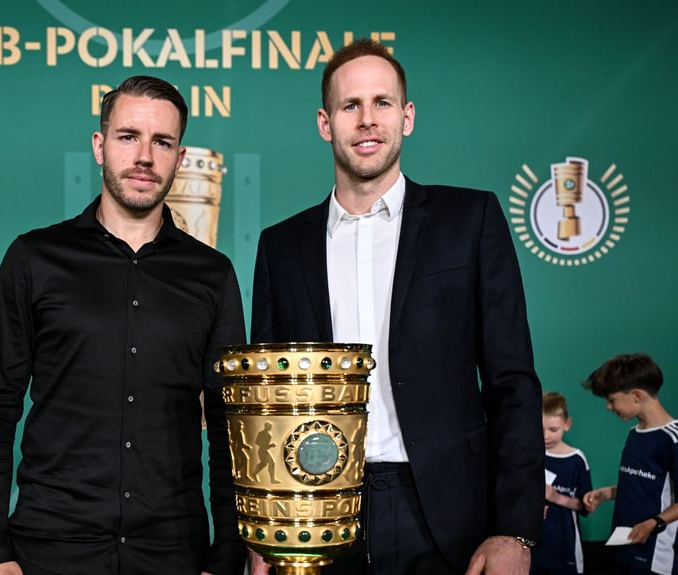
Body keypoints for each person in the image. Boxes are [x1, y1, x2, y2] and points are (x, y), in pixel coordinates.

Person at [249, 38, 544, 575]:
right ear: (325, 123)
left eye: (381, 103)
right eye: (350, 105)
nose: (367, 119)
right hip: (317, 513)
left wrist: (516, 528)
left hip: (448, 512)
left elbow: (512, 383)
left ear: (406, 116)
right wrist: (268, 527)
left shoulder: (470, 219)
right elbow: (270, 403)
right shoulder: (281, 246)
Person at [0, 75, 247, 575]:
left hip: (172, 553)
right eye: (128, 136)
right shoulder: (35, 258)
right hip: (50, 550)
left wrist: (225, 555)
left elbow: (230, 427)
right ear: (99, 146)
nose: (144, 156)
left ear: (180, 158)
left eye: (162, 142)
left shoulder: (212, 274)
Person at [582, 353, 678, 575]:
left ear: (636, 395)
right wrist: (608, 493)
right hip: (623, 550)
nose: (608, 407)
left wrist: (654, 523)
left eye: (611, 399)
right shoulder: (634, 434)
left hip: (655, 559)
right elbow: (648, 486)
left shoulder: (673, 438)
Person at [533, 392, 592, 575]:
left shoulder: (577, 460)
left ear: (567, 424)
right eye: (540, 428)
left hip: (565, 544)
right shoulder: (529, 455)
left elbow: (585, 505)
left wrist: (555, 497)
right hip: (531, 546)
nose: (546, 436)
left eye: (553, 429)